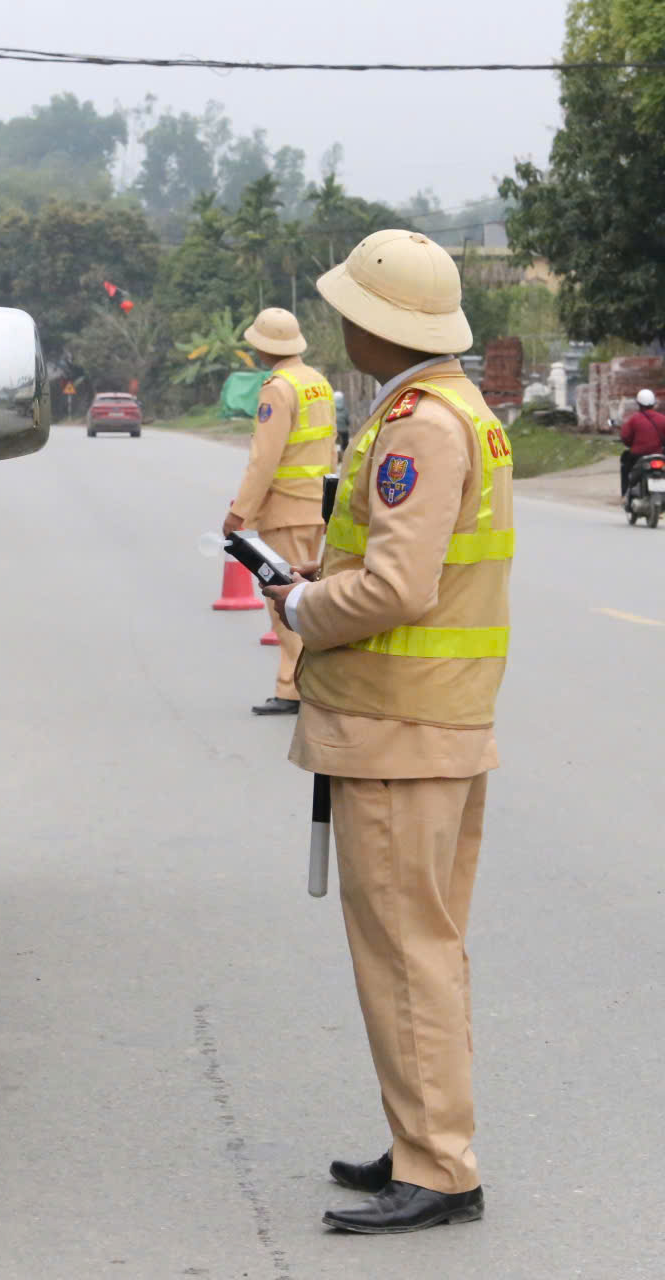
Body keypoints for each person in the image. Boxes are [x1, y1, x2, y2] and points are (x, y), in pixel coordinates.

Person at [263, 230, 511, 1235]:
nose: (341, 328)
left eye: (349, 314)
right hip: (435, 719)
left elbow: (398, 585)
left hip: (397, 727)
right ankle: (423, 1140)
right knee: (425, 946)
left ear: (378, 324)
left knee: (407, 951)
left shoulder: (418, 426)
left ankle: (441, 1166)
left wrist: (299, 607)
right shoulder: (460, 411)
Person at [224, 307, 333, 715]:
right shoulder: (317, 382)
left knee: (283, 599)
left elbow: (263, 460)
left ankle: (295, 688)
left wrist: (240, 513)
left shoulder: (278, 388)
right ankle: (307, 686)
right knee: (308, 594)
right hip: (317, 507)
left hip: (285, 508)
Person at [618, 388, 665, 496]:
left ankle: (625, 494)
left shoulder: (634, 420)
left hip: (638, 457)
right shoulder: (662, 419)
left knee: (625, 467)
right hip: (659, 455)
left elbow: (625, 437)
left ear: (639, 404)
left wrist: (631, 443)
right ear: (653, 403)